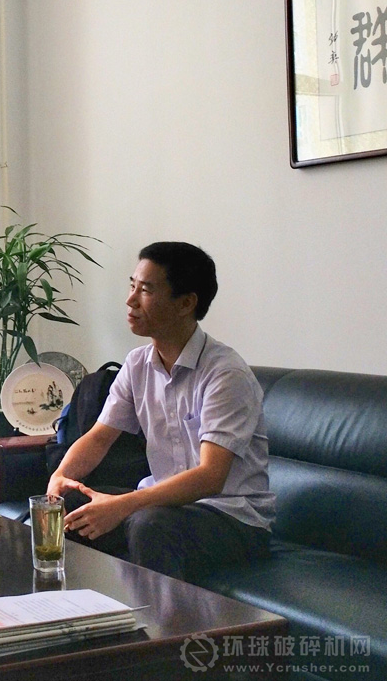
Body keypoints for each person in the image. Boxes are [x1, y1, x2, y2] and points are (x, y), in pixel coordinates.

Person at [47, 241, 274, 583]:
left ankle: (160, 620)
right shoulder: (137, 364)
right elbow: (99, 437)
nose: (131, 300)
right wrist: (59, 480)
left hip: (231, 517)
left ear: (185, 303)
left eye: (146, 290)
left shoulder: (225, 374)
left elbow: (210, 476)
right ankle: (76, 612)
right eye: (132, 286)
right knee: (71, 508)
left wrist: (124, 505)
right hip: (164, 506)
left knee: (149, 525)